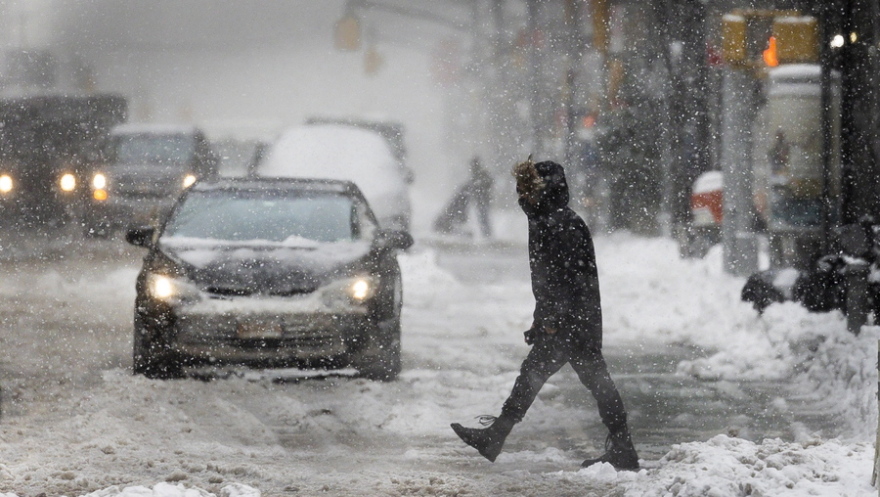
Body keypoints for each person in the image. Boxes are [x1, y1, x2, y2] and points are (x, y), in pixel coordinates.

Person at [450, 157, 639, 470]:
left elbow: (565, 279)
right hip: (576, 319)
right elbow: (549, 280)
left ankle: (496, 436)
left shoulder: (559, 223)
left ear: (544, 190)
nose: (521, 195)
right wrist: (542, 320)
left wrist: (552, 320)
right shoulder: (548, 219)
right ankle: (622, 447)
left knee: (546, 376)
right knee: (586, 380)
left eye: (527, 189)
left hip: (572, 322)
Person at [469, 156, 494, 238]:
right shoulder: (476, 175)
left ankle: (487, 235)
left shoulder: (481, 174)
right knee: (482, 218)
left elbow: (490, 182)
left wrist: (481, 186)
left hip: (483, 200)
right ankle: (486, 234)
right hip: (480, 200)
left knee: (483, 217)